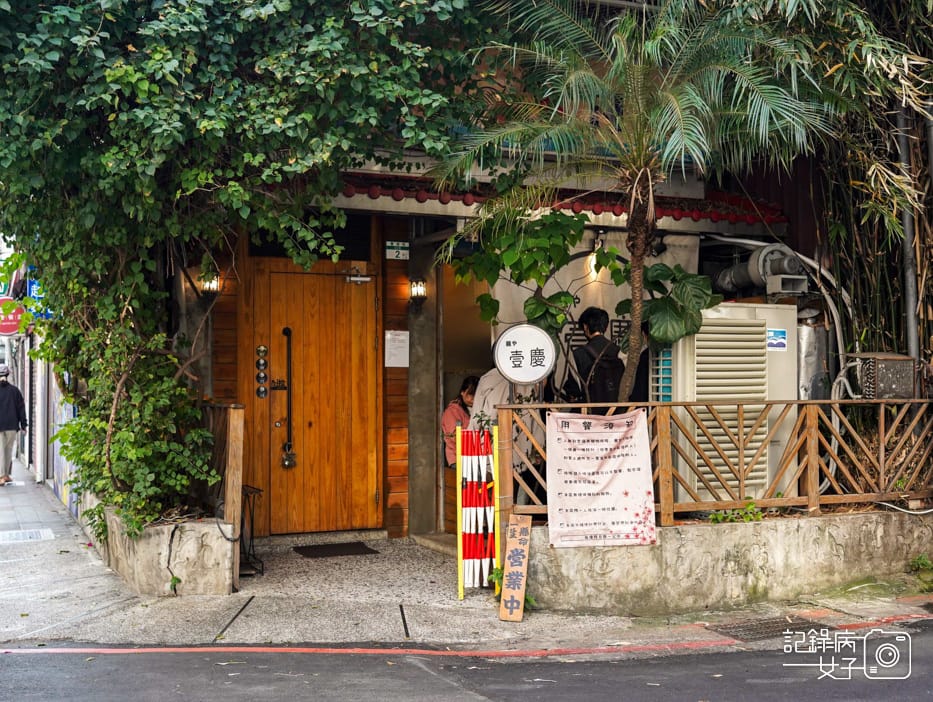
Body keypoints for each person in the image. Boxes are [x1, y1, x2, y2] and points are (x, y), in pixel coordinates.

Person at [563, 306, 623, 413]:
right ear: (606, 326)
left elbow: (574, 390)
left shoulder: (577, 354)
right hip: (616, 413)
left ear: (585, 327)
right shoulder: (619, 351)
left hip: (589, 415)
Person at [440, 375, 478, 468]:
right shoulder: (452, 411)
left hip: (472, 456)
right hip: (458, 458)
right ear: (462, 392)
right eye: (470, 394)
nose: (473, 398)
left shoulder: (474, 409)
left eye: (476, 395)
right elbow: (454, 436)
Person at [0, 364, 27, 486]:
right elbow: (21, 408)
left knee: (1, 451)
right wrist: (24, 425)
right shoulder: (15, 391)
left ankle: (2, 476)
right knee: (8, 450)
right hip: (12, 425)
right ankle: (5, 475)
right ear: (8, 375)